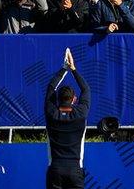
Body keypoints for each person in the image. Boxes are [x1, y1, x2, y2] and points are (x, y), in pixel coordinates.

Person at [44, 49, 90, 189]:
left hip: (56, 169)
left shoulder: (51, 113)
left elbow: (51, 88)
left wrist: (64, 69)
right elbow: (86, 89)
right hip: (75, 169)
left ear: (57, 99)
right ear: (74, 99)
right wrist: (73, 69)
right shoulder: (80, 113)